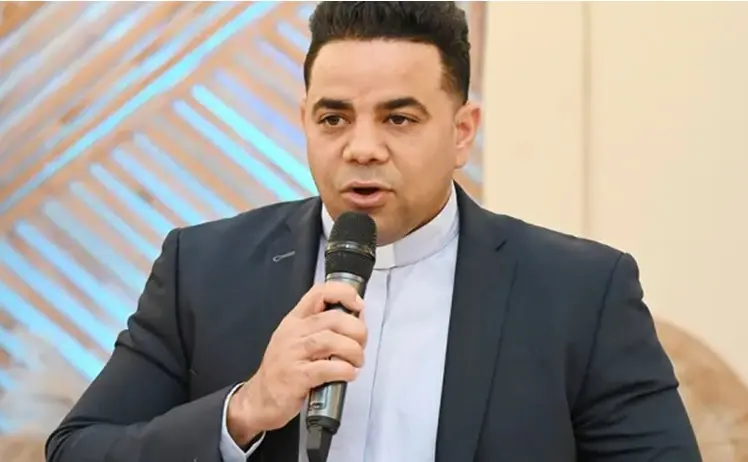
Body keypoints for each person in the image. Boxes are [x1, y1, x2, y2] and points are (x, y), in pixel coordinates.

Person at [45, 2, 701, 461]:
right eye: (333, 119)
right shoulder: (203, 267)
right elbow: (78, 448)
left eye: (399, 119)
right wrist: (244, 410)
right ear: (304, 120)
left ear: (462, 132)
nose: (361, 147)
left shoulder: (580, 291)